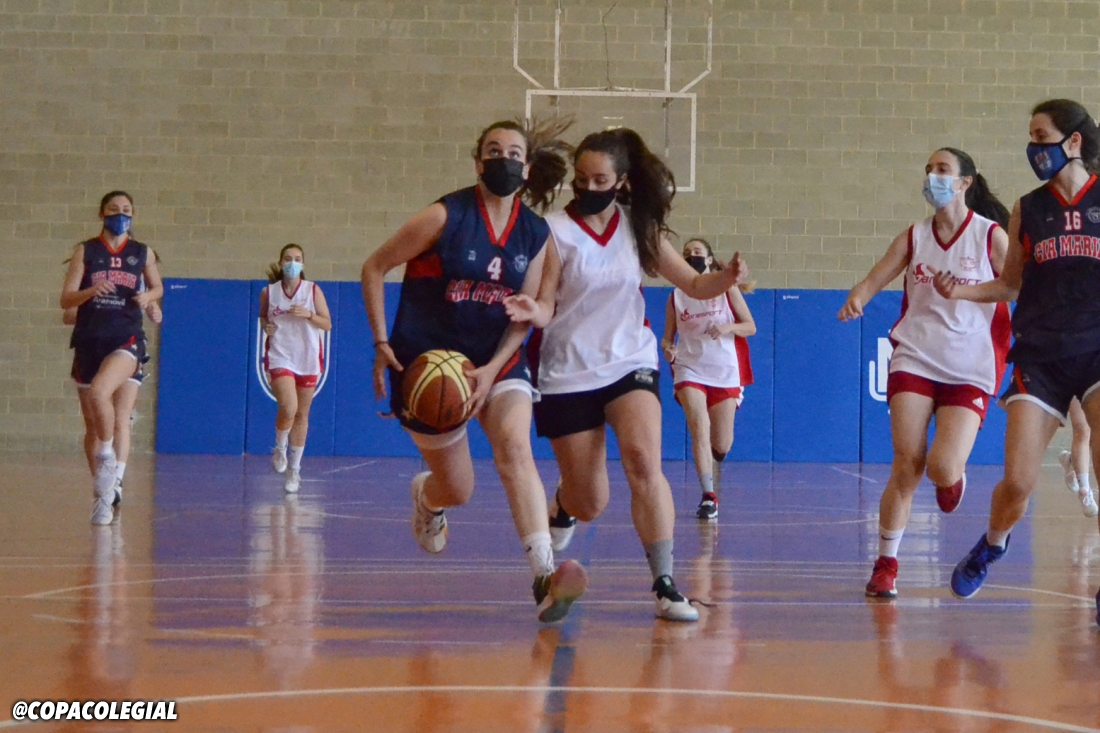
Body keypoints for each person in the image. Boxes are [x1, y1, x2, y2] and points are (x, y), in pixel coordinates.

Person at [504, 128, 747, 622]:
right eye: (582, 179)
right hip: (567, 370)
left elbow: (693, 282)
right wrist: (533, 309)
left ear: (621, 181)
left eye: (601, 180)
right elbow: (547, 303)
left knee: (643, 461)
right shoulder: (554, 230)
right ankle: (565, 506)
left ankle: (665, 584)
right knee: (591, 500)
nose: (589, 187)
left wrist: (726, 279)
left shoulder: (638, 228)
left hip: (629, 360)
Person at [361, 119, 588, 623]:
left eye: (514, 153)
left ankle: (544, 576)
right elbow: (374, 267)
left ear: (527, 167)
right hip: (430, 369)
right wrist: (380, 342)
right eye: (494, 150)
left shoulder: (535, 233)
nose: (504, 159)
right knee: (458, 490)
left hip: (496, 357)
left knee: (514, 447)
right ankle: (428, 498)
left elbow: (524, 312)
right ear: (478, 162)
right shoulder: (444, 216)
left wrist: (491, 369)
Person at [929, 100, 1100, 621]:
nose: (1033, 148)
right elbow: (1011, 283)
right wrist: (961, 291)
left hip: (1096, 348)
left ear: (1073, 141)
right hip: (1042, 355)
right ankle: (994, 543)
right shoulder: (1029, 208)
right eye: (1031, 137)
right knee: (1019, 481)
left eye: (1041, 136)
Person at [838, 147, 1011, 599]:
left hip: (970, 364)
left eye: (943, 170)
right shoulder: (915, 236)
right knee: (907, 462)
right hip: (915, 355)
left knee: (941, 466)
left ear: (965, 182)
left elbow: (1016, 286)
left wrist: (965, 293)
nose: (933, 176)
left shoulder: (990, 236)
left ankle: (952, 476)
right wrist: (859, 296)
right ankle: (886, 565)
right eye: (930, 169)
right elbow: (877, 275)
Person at [60, 190, 163, 525]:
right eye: (114, 209)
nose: (121, 214)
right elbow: (66, 300)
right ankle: (104, 490)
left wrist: (150, 300)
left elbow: (157, 288)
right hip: (90, 340)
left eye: (127, 209)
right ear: (101, 213)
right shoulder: (86, 250)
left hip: (126, 338)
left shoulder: (142, 252)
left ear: (133, 214)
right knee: (93, 424)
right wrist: (91, 291)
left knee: (107, 401)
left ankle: (111, 467)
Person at [660, 238, 755, 521]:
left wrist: (727, 327)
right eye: (687, 253)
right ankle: (708, 496)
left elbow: (750, 326)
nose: (692, 256)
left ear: (710, 259)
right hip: (689, 368)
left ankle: (716, 457)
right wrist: (668, 349)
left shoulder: (726, 289)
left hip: (724, 370)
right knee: (698, 427)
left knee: (722, 444)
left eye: (697, 252)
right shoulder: (676, 296)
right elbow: (667, 338)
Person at [260, 243, 332, 494]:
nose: (292, 263)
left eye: (297, 258)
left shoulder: (313, 290)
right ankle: (279, 447)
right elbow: (263, 317)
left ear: (303, 263)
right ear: (281, 263)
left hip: (307, 357)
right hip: (281, 355)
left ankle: (295, 470)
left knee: (302, 414)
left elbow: (327, 324)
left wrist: (309, 315)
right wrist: (266, 326)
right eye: (288, 258)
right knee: (288, 407)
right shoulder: (269, 292)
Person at [1058, 399, 1099, 517]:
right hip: (1076, 388)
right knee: (1082, 429)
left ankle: (1073, 461)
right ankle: (1085, 492)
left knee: (1094, 433)